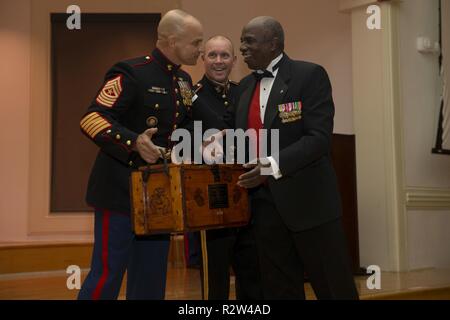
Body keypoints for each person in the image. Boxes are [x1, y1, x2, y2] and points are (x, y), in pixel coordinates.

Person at [216, 16, 359, 299]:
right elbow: (238, 136)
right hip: (264, 207)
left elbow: (318, 138)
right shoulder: (243, 87)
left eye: (249, 41)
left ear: (274, 44)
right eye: (242, 41)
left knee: (334, 287)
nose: (241, 48)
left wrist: (271, 166)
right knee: (280, 289)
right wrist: (219, 141)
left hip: (310, 203)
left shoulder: (309, 75)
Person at [77, 9, 203, 300]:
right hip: (119, 189)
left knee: (151, 276)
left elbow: (180, 126)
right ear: (172, 41)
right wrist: (134, 142)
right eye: (195, 42)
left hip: (158, 195)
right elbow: (92, 118)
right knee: (107, 274)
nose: (200, 48)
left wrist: (203, 143)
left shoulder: (183, 80)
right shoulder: (131, 71)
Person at [192, 35, 262, 300]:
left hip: (248, 189)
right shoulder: (191, 96)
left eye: (224, 56)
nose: (218, 61)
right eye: (212, 55)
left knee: (251, 268)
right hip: (212, 195)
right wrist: (200, 142)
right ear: (203, 59)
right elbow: (178, 134)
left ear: (234, 60)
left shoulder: (244, 92)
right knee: (215, 273)